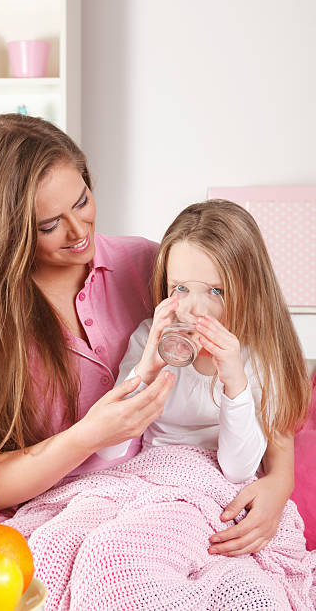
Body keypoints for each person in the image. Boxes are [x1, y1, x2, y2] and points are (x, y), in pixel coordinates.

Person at [0, 115, 302, 574]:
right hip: (70, 508)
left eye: (83, 200)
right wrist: (90, 435)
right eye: (50, 224)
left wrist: (279, 481)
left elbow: (260, 360)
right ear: (5, 232)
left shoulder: (148, 265)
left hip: (173, 499)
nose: (79, 231)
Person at [97, 199, 310, 492]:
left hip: (214, 484)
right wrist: (145, 370)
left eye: (216, 291)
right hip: (150, 475)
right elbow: (109, 448)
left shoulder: (256, 356)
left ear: (249, 290)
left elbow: (238, 470)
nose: (195, 309)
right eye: (181, 288)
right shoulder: (150, 339)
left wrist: (235, 381)